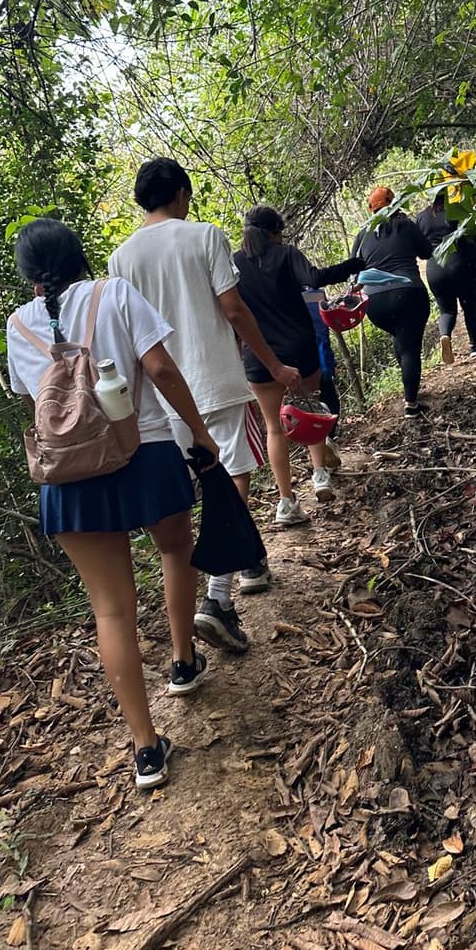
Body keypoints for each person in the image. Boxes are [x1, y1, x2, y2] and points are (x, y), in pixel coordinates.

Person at [6, 219, 219, 790]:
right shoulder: (115, 293)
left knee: (111, 610)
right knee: (176, 550)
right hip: (144, 453)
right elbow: (161, 369)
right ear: (81, 257)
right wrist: (199, 434)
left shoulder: (17, 325)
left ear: (30, 276)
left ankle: (146, 750)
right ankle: (182, 662)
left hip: (68, 475)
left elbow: (39, 400)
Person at [109, 159, 301, 646]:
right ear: (179, 194)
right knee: (230, 479)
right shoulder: (205, 236)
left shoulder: (121, 259)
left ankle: (250, 564)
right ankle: (218, 597)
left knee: (192, 494)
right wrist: (274, 366)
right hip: (211, 381)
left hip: (158, 396)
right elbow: (233, 309)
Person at [233, 207, 360, 524]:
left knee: (274, 428)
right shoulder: (286, 254)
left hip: (259, 357)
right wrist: (354, 265)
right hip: (299, 349)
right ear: (276, 231)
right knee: (311, 411)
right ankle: (319, 475)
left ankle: (286, 502)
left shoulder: (234, 263)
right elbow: (315, 279)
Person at [352, 187, 433, 418]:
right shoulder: (405, 225)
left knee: (400, 338)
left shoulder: (363, 234)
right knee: (409, 348)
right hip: (408, 293)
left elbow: (353, 268)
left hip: (375, 303)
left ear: (371, 209)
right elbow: (426, 252)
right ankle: (411, 404)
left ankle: (410, 389)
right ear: (394, 203)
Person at [416, 191, 476, 363]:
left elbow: (419, 249)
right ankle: (474, 347)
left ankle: (445, 336)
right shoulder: (458, 212)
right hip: (460, 262)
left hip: (435, 268)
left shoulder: (421, 217)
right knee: (469, 307)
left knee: (446, 311)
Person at [303, 287, 342, 468]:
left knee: (307, 404)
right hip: (321, 356)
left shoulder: (275, 294)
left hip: (295, 361)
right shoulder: (316, 294)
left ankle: (317, 451)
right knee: (328, 395)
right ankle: (328, 438)